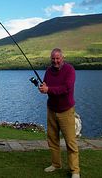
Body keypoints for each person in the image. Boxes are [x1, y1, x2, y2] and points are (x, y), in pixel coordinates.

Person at [38, 48, 80, 178]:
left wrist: (49, 89)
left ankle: (75, 171)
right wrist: (43, 88)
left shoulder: (70, 70)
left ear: (62, 58)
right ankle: (56, 164)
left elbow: (66, 88)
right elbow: (47, 87)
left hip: (66, 111)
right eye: (53, 59)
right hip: (51, 109)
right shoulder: (48, 71)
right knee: (52, 139)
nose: (55, 61)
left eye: (57, 58)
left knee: (70, 142)